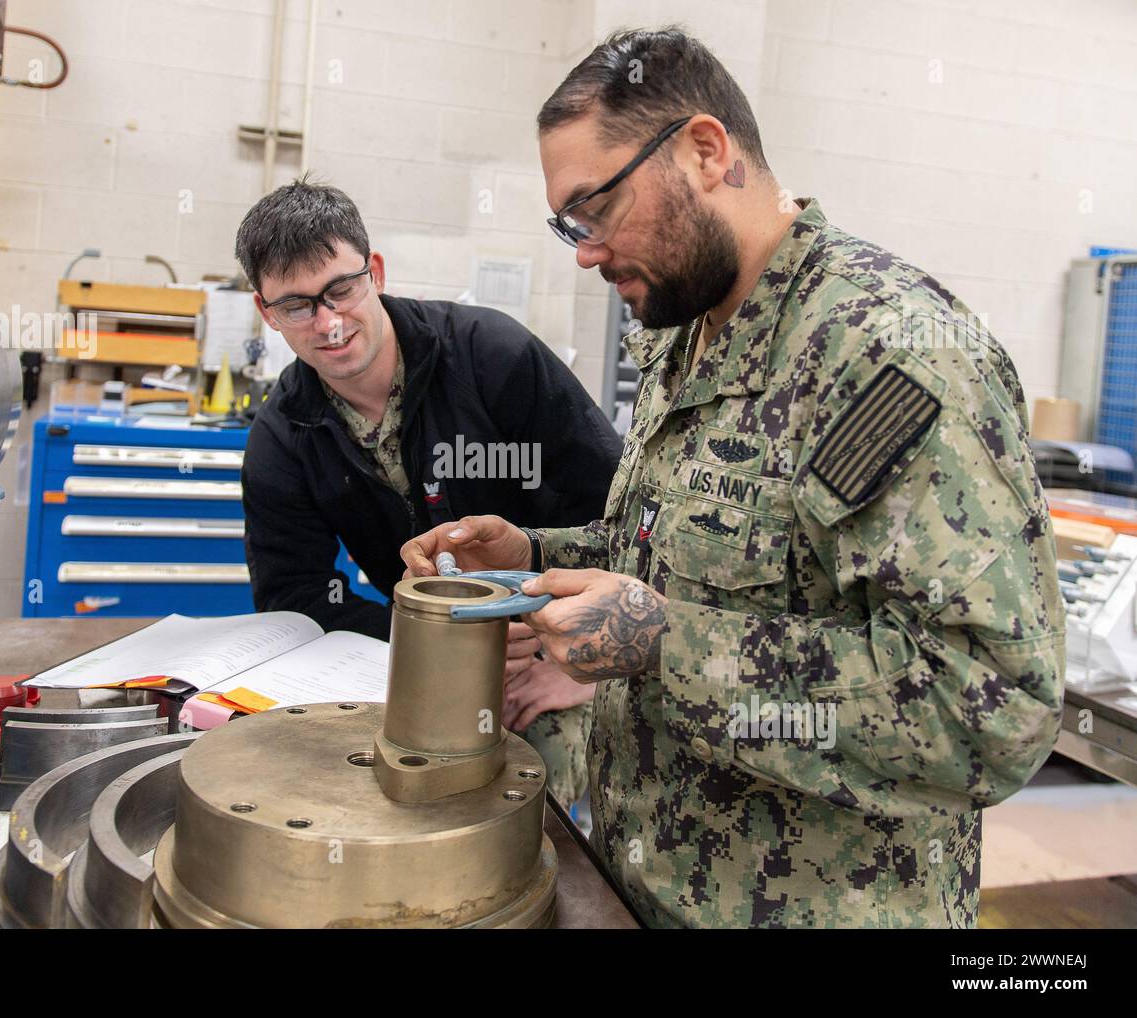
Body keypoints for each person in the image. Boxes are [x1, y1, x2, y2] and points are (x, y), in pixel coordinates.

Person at [401, 28, 1065, 928]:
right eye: (568, 225)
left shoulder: (884, 356)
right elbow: (683, 559)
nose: (585, 254)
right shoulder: (688, 335)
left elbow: (987, 708)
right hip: (647, 884)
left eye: (596, 209)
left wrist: (663, 647)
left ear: (706, 153)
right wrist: (532, 555)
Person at [235, 178, 623, 807]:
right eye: (297, 305)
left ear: (375, 272)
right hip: (419, 670)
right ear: (267, 312)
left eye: (341, 289)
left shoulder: (492, 356)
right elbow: (294, 601)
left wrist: (584, 667)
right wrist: (434, 652)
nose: (329, 323)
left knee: (530, 803)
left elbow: (629, 518)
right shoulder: (283, 435)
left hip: (561, 649)